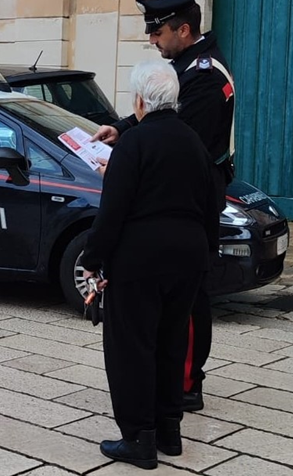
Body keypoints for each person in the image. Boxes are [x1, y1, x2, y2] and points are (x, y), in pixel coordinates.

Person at [92, 0, 234, 412]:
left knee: (187, 302)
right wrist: (120, 128)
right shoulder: (188, 68)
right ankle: (170, 383)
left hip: (190, 199)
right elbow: (154, 116)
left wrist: (125, 163)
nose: (153, 41)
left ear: (184, 30)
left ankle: (187, 382)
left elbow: (171, 133)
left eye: (159, 34)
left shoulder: (205, 77)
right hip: (182, 197)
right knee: (176, 297)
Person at [81, 61, 219, 470]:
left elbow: (114, 211)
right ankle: (169, 432)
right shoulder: (194, 141)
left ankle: (139, 438)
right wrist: (205, 254)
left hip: (140, 260)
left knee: (132, 348)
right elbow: (211, 203)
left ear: (139, 100)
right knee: (171, 343)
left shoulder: (133, 144)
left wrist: (93, 258)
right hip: (188, 259)